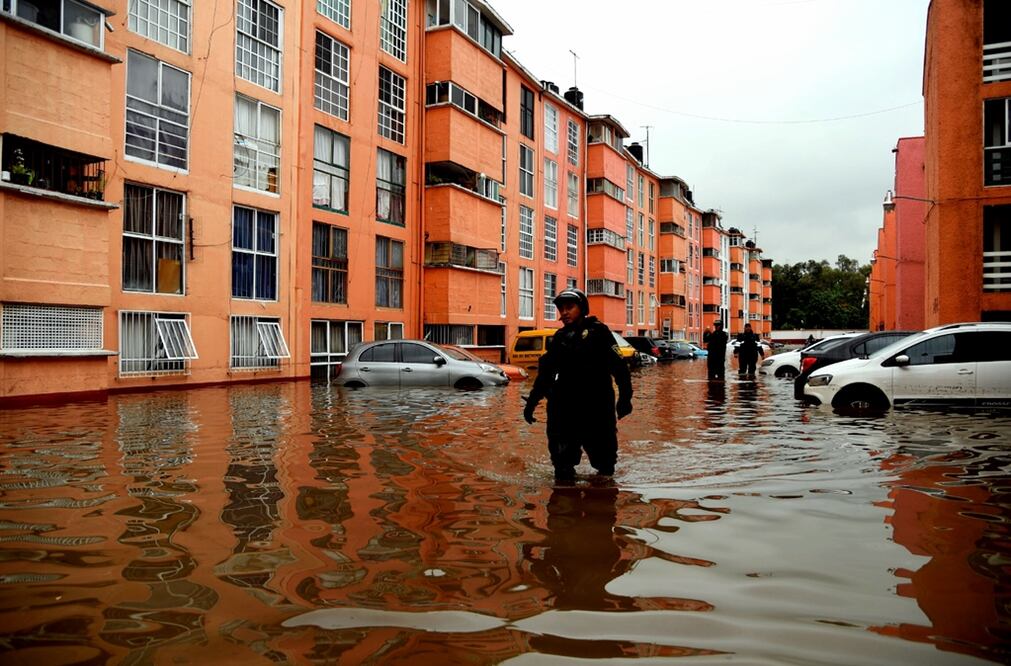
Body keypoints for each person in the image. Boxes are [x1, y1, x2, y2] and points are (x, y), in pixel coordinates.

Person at [523, 288, 633, 483]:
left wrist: (625, 399)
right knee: (562, 465)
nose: (564, 312)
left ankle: (601, 498)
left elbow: (620, 368)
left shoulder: (599, 332)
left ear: (582, 309)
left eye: (569, 307)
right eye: (561, 309)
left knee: (604, 464)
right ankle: (565, 497)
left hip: (596, 408)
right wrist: (532, 403)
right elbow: (545, 375)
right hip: (564, 409)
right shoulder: (559, 338)